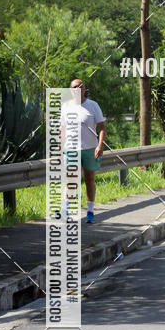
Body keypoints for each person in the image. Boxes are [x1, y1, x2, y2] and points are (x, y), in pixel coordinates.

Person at [59, 79, 105, 223]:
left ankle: (90, 211)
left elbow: (102, 127)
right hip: (71, 149)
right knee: (71, 180)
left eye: (80, 86)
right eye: (74, 87)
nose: (77, 89)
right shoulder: (65, 107)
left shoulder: (93, 105)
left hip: (90, 149)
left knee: (90, 179)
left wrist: (100, 145)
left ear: (85, 89)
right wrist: (59, 146)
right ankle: (66, 210)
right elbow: (62, 129)